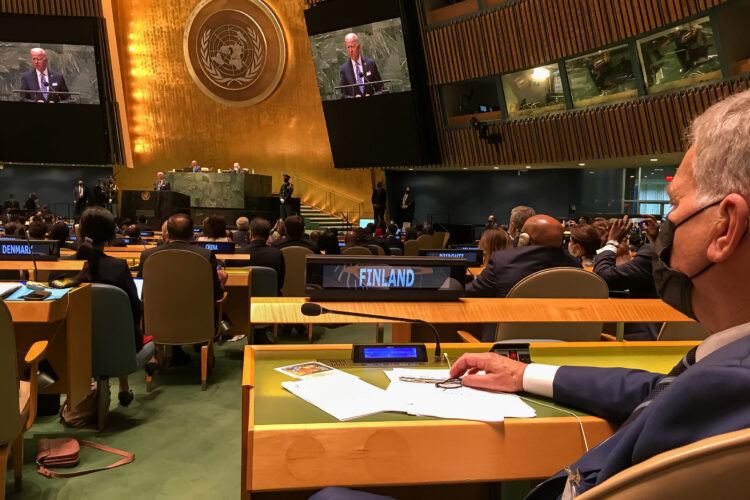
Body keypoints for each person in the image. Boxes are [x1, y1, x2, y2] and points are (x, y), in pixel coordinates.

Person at [449, 90, 750, 498]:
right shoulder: (721, 377)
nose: (667, 224)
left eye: (675, 204)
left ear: (726, 227)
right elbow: (662, 390)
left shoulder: (727, 385)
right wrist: (524, 373)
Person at [74, 207, 151, 406]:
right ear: (111, 235)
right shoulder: (118, 267)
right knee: (122, 326)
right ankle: (124, 386)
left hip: (73, 346)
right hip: (119, 346)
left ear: (80, 232)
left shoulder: (62, 268)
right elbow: (134, 310)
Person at [466, 214, 581, 298]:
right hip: (562, 330)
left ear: (524, 238)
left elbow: (470, 293)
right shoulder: (576, 267)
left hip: (510, 330)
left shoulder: (502, 261)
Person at [593, 215, 661, 340]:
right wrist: (656, 241)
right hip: (688, 332)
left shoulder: (650, 254)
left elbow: (603, 278)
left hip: (646, 336)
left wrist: (612, 241)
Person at [237, 217, 285, 294]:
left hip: (241, 299)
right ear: (267, 235)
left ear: (251, 234)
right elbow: (280, 284)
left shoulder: (237, 254)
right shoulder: (277, 254)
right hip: (270, 300)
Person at [339, 33, 384, 98]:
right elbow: (343, 95)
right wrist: (354, 98)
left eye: (353, 46)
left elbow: (381, 88)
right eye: (348, 47)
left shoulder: (370, 63)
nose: (350, 50)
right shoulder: (344, 69)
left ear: (359, 46)